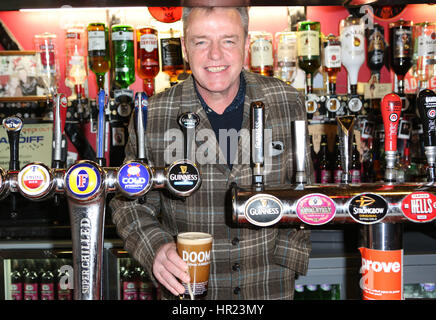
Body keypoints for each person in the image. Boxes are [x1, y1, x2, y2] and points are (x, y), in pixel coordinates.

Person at [109, 6, 314, 300]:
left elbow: (305, 191)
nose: (215, 55)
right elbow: (128, 202)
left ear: (246, 44)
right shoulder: (153, 113)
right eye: (201, 41)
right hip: (187, 290)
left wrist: (288, 256)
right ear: (184, 48)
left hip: (269, 285)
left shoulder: (286, 101)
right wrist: (156, 248)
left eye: (228, 40)